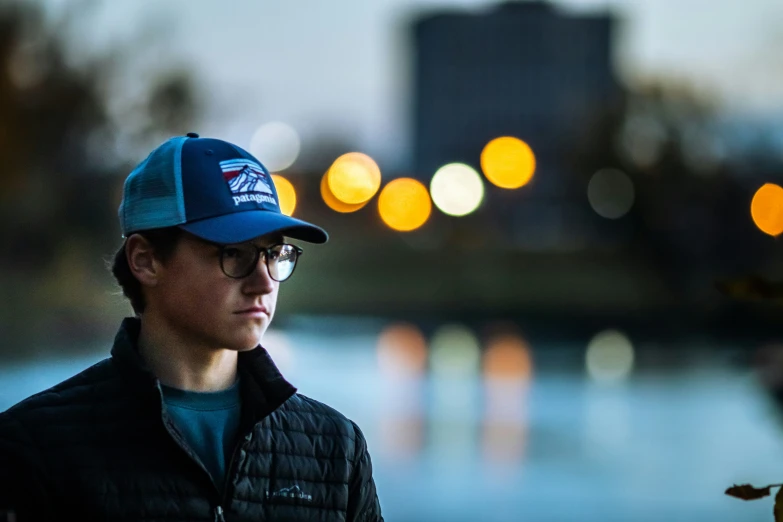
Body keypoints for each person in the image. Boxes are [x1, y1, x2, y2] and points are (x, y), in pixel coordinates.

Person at [0, 133, 384, 522]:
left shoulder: (336, 449)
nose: (265, 282)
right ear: (146, 260)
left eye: (274, 254)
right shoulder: (36, 447)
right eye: (233, 253)